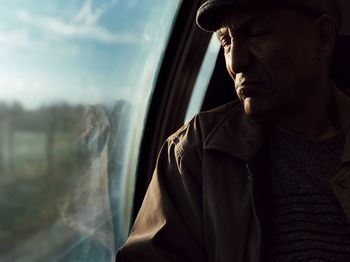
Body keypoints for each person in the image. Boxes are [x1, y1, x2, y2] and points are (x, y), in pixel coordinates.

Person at [116, 0, 350, 261]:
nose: (236, 62)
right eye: (225, 41)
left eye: (257, 32)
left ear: (323, 37)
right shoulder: (196, 152)